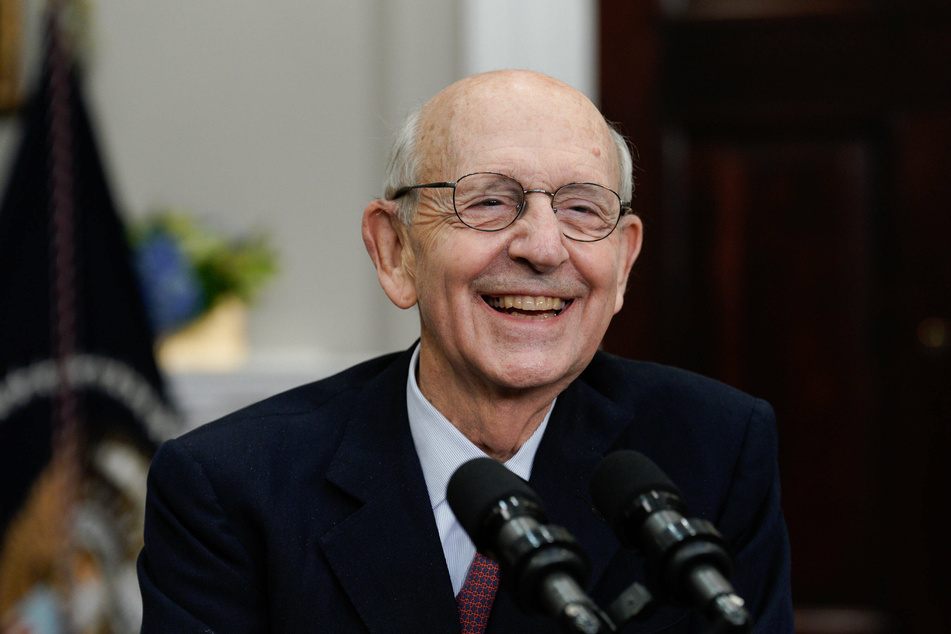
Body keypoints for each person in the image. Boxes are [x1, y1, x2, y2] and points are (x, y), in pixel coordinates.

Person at [137, 70, 793, 633]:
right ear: (394, 251)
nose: (541, 246)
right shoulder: (231, 488)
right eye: (487, 202)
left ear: (621, 262)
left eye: (581, 209)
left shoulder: (713, 450)